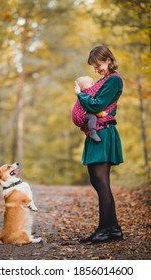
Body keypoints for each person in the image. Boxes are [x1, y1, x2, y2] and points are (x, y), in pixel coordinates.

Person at [74, 45, 124, 244]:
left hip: (103, 133)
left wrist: (80, 94)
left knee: (101, 182)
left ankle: (105, 230)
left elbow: (96, 106)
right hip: (98, 131)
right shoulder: (104, 80)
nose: (96, 70)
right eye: (94, 67)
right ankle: (113, 229)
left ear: (108, 60)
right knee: (97, 181)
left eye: (99, 65)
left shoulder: (114, 80)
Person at [75, 76, 108, 142]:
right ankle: (93, 133)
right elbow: (91, 107)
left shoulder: (84, 94)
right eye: (91, 84)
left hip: (79, 116)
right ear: (84, 88)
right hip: (79, 117)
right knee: (92, 117)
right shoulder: (87, 94)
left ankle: (89, 131)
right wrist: (100, 114)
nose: (94, 85)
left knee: (91, 117)